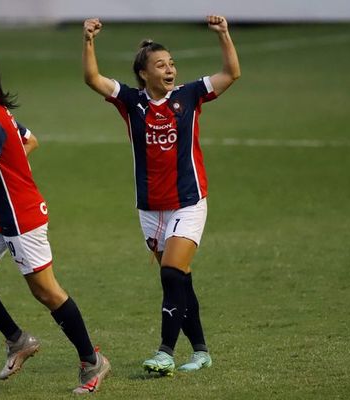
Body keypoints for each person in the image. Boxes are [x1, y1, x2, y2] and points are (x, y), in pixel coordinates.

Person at [0, 46, 110, 394]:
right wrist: (4, 168)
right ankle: (18, 340)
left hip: (21, 217)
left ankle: (92, 361)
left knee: (46, 292)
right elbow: (28, 140)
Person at [82, 16, 240, 375]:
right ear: (144, 74)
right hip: (151, 209)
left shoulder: (189, 94)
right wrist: (88, 40)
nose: (169, 69)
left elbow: (231, 73)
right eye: (160, 65)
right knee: (179, 280)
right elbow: (92, 79)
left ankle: (165, 352)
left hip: (188, 201)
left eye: (171, 63)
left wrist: (224, 34)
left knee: (171, 273)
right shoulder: (130, 101)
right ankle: (200, 351)